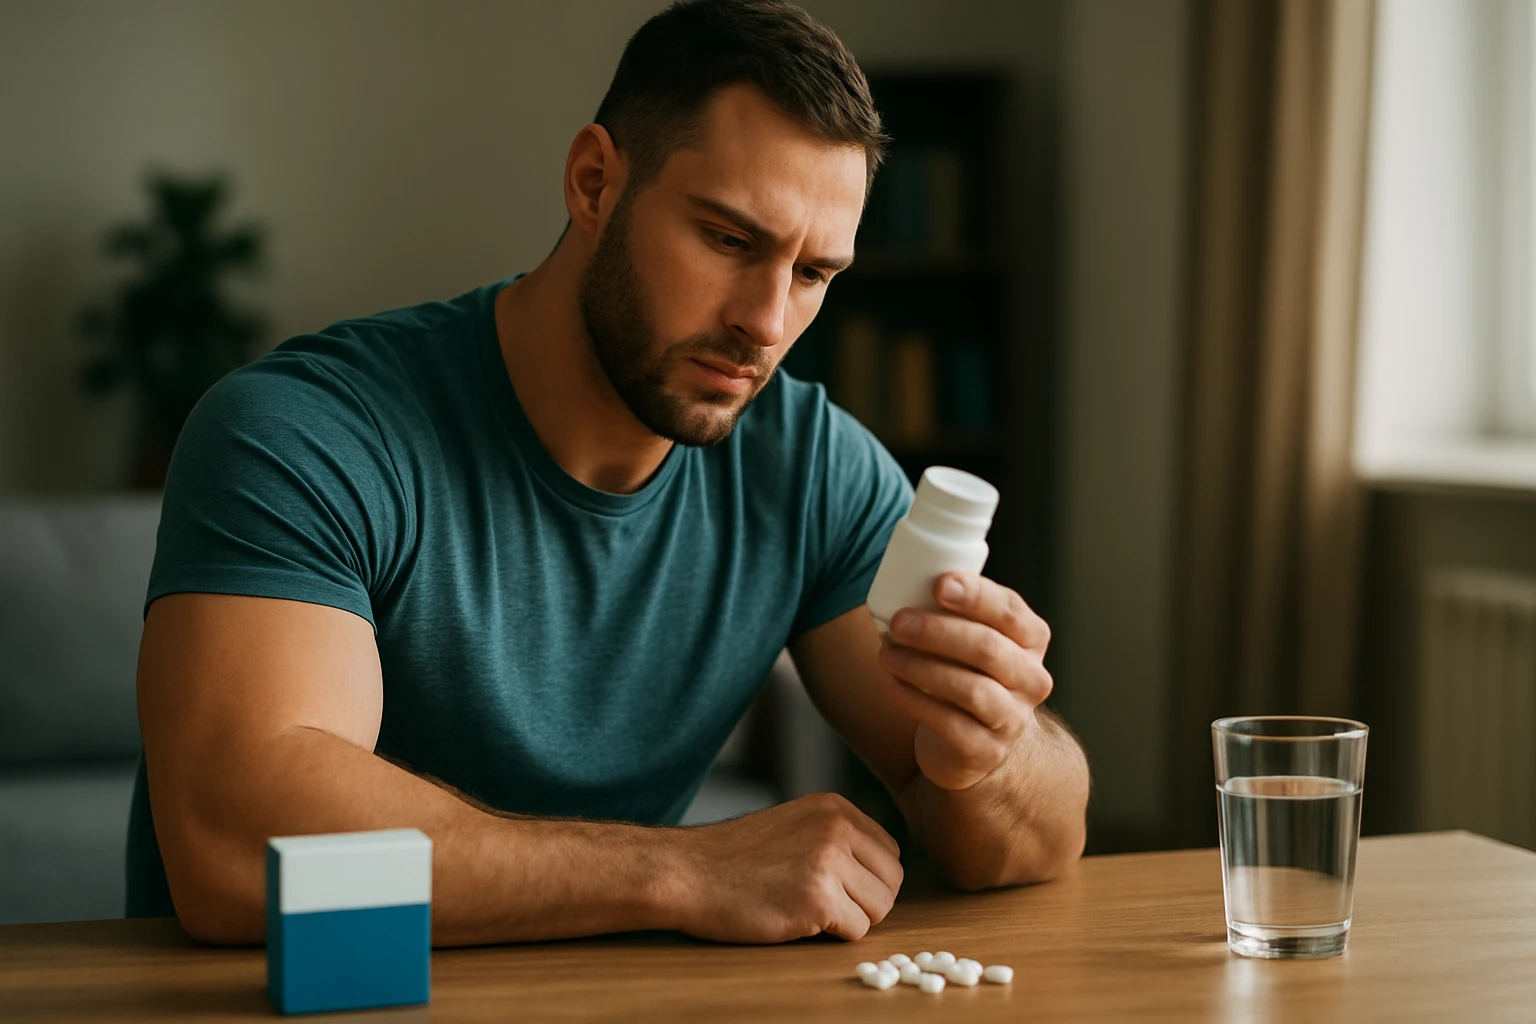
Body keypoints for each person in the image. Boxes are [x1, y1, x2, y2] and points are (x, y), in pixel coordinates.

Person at [127, 0, 1090, 947]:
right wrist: (680, 870)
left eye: (812, 275)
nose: (766, 322)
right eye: (729, 240)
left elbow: (1036, 839)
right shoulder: (307, 434)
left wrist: (992, 753)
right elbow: (237, 853)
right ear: (593, 183)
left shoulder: (809, 466)